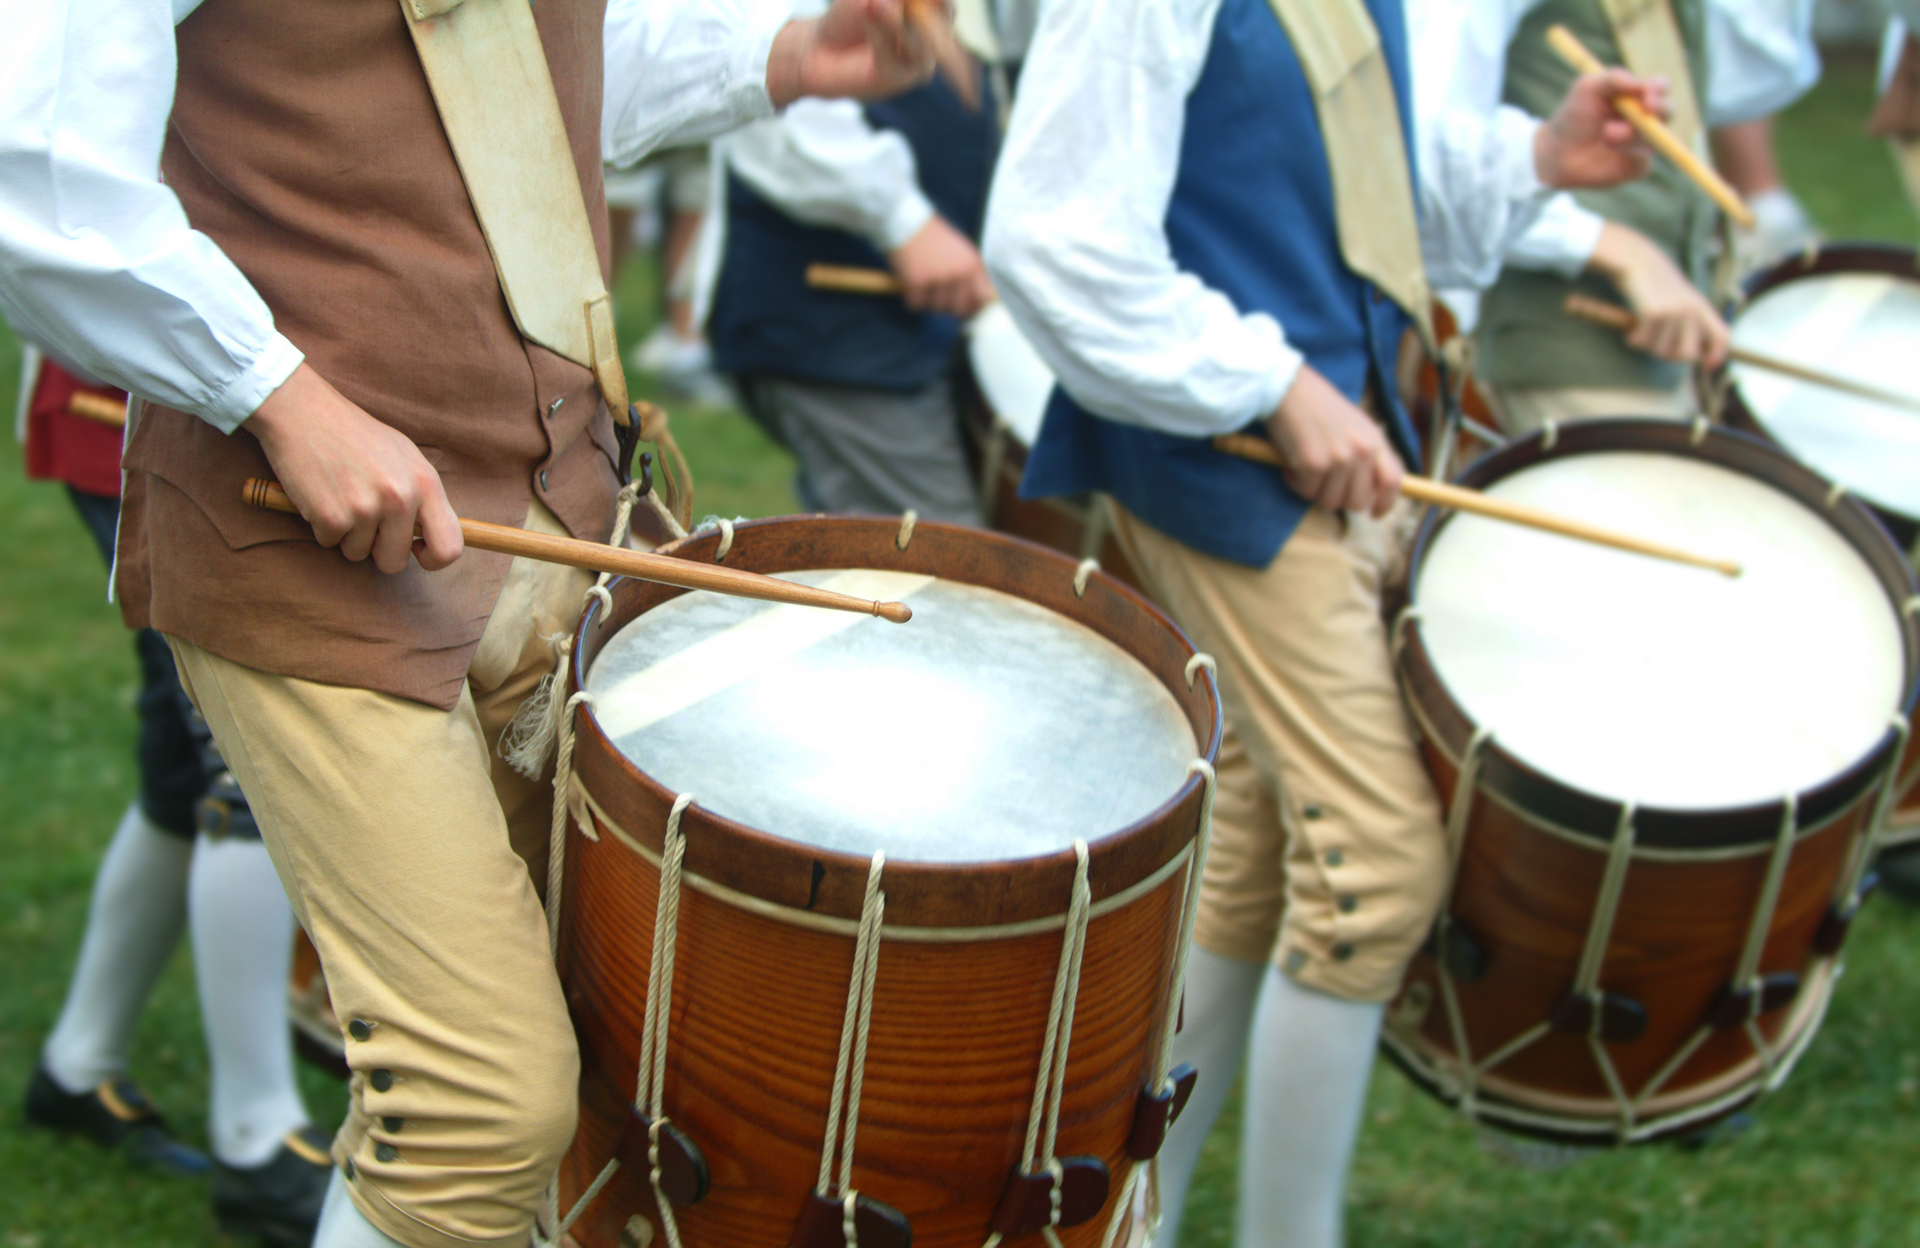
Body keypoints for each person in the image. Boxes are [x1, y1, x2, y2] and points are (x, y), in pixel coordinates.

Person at [0, 5, 934, 1248]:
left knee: (635, 1037)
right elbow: (35, 159)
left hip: (554, 501)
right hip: (296, 540)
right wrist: (275, 393)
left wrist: (776, 55)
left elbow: (527, 77)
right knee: (477, 1105)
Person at [981, 1, 1667, 1244]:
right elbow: (1054, 235)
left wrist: (1535, 159)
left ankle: (1132, 1219)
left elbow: (1359, 192)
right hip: (1226, 452)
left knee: (1250, 835)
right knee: (1377, 868)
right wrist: (1272, 385)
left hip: (1307, 439)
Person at [17, 350, 330, 1246]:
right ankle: (257, 1138)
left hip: (190, 409)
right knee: (251, 758)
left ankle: (78, 1068)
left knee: (182, 757)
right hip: (169, 411)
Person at [706, 0, 997, 525]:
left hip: (909, 330)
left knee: (883, 552)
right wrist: (904, 221)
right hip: (833, 321)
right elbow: (755, 62)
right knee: (931, 564)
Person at [1419, 0, 1732, 436]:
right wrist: (1613, 248)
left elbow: (1760, 77)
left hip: (1670, 337)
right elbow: (1421, 149)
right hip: (1565, 334)